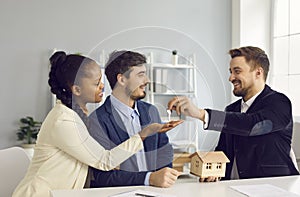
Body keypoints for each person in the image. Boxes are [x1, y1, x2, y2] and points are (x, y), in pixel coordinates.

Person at [13, 51, 182, 197]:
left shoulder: (79, 117)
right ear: (76, 90)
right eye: (96, 83)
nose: (102, 86)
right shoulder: (63, 121)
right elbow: (105, 161)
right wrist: (143, 134)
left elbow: (101, 158)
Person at [168, 46, 299, 182]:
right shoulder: (232, 109)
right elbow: (223, 151)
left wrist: (202, 114)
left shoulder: (279, 102)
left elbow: (253, 125)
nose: (231, 78)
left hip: (274, 186)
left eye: (237, 71)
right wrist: (214, 171)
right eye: (230, 72)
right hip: (232, 187)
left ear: (258, 73)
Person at [88, 50, 182, 188]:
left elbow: (164, 151)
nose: (147, 81)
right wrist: (149, 178)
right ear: (121, 79)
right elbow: (102, 177)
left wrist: (165, 177)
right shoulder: (97, 120)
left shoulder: (151, 111)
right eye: (140, 75)